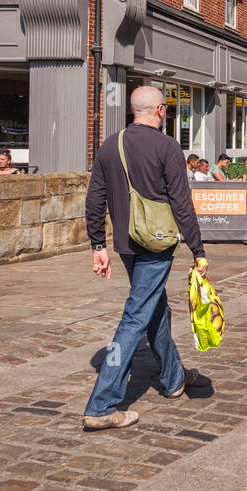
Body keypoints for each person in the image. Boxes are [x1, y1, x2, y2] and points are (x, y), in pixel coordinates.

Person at [83, 85, 208, 431]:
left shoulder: (111, 144)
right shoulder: (168, 147)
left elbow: (95, 199)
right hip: (157, 244)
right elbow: (182, 204)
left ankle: (173, 378)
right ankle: (102, 404)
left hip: (126, 243)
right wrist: (198, 250)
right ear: (161, 110)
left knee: (155, 308)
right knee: (135, 318)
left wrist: (98, 245)